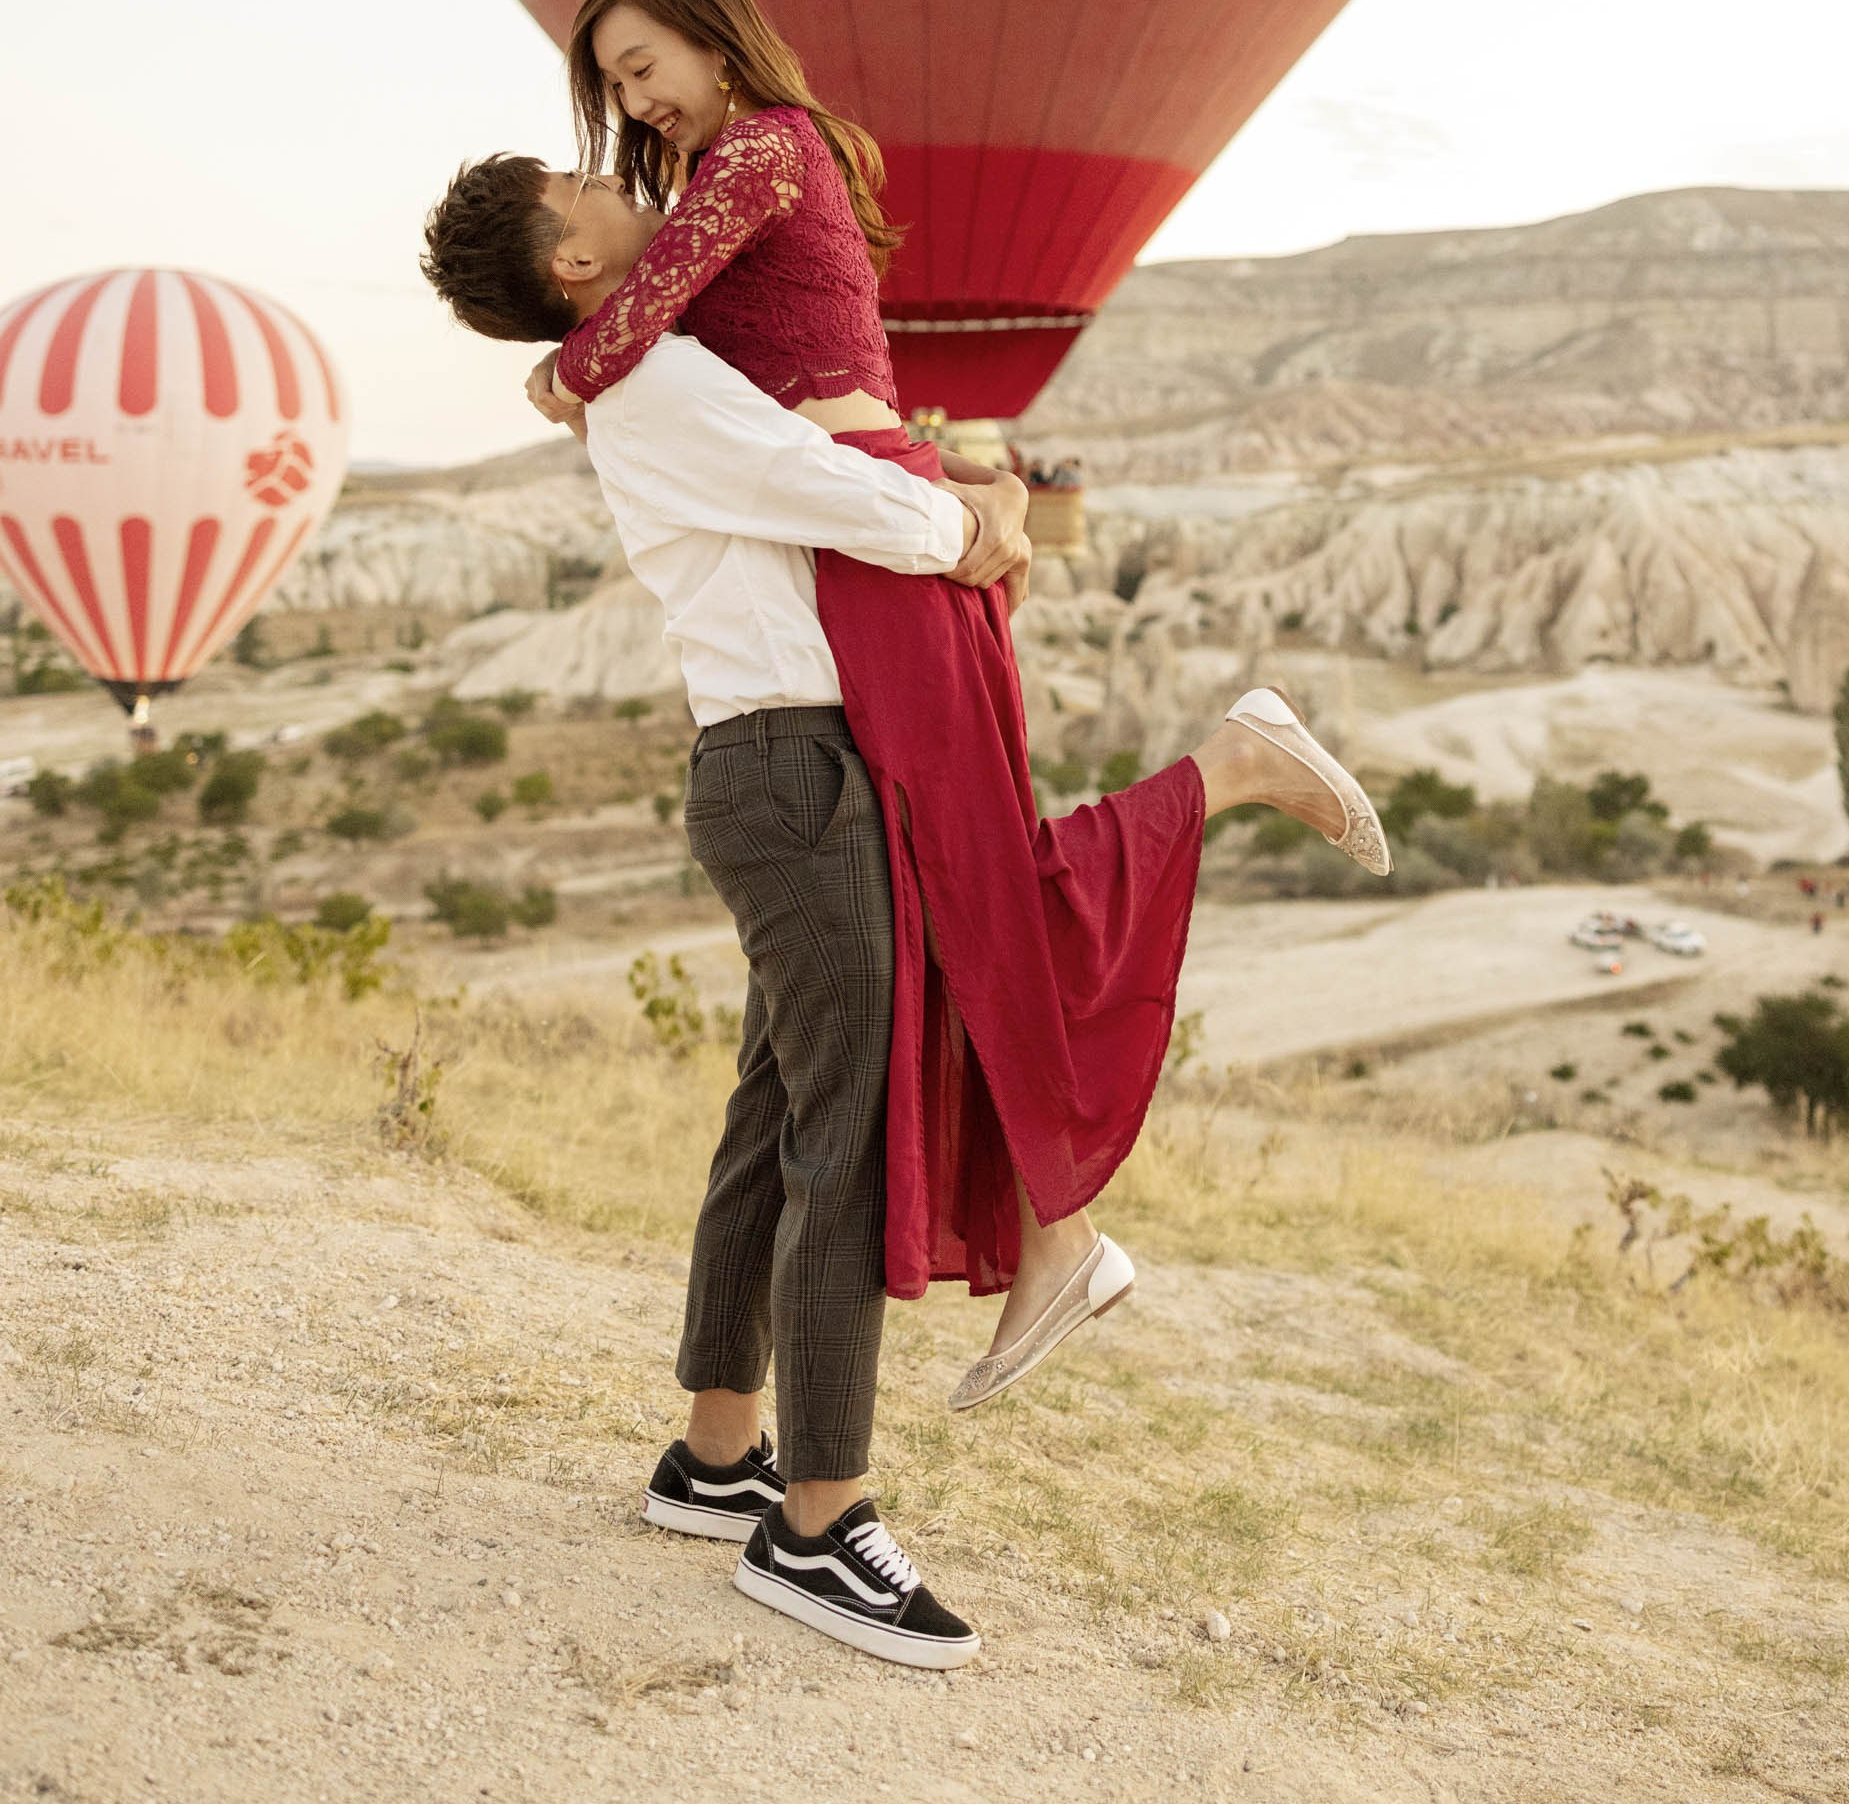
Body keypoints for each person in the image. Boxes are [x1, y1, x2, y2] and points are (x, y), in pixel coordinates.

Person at [423, 153, 1389, 1664]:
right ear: (570, 266)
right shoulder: (654, 383)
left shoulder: (646, 369)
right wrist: (978, 524)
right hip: (799, 772)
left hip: (783, 766)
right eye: (582, 185)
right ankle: (817, 1527)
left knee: (774, 1119)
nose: (619, 178)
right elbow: (823, 491)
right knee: (845, 1144)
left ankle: (717, 1455)